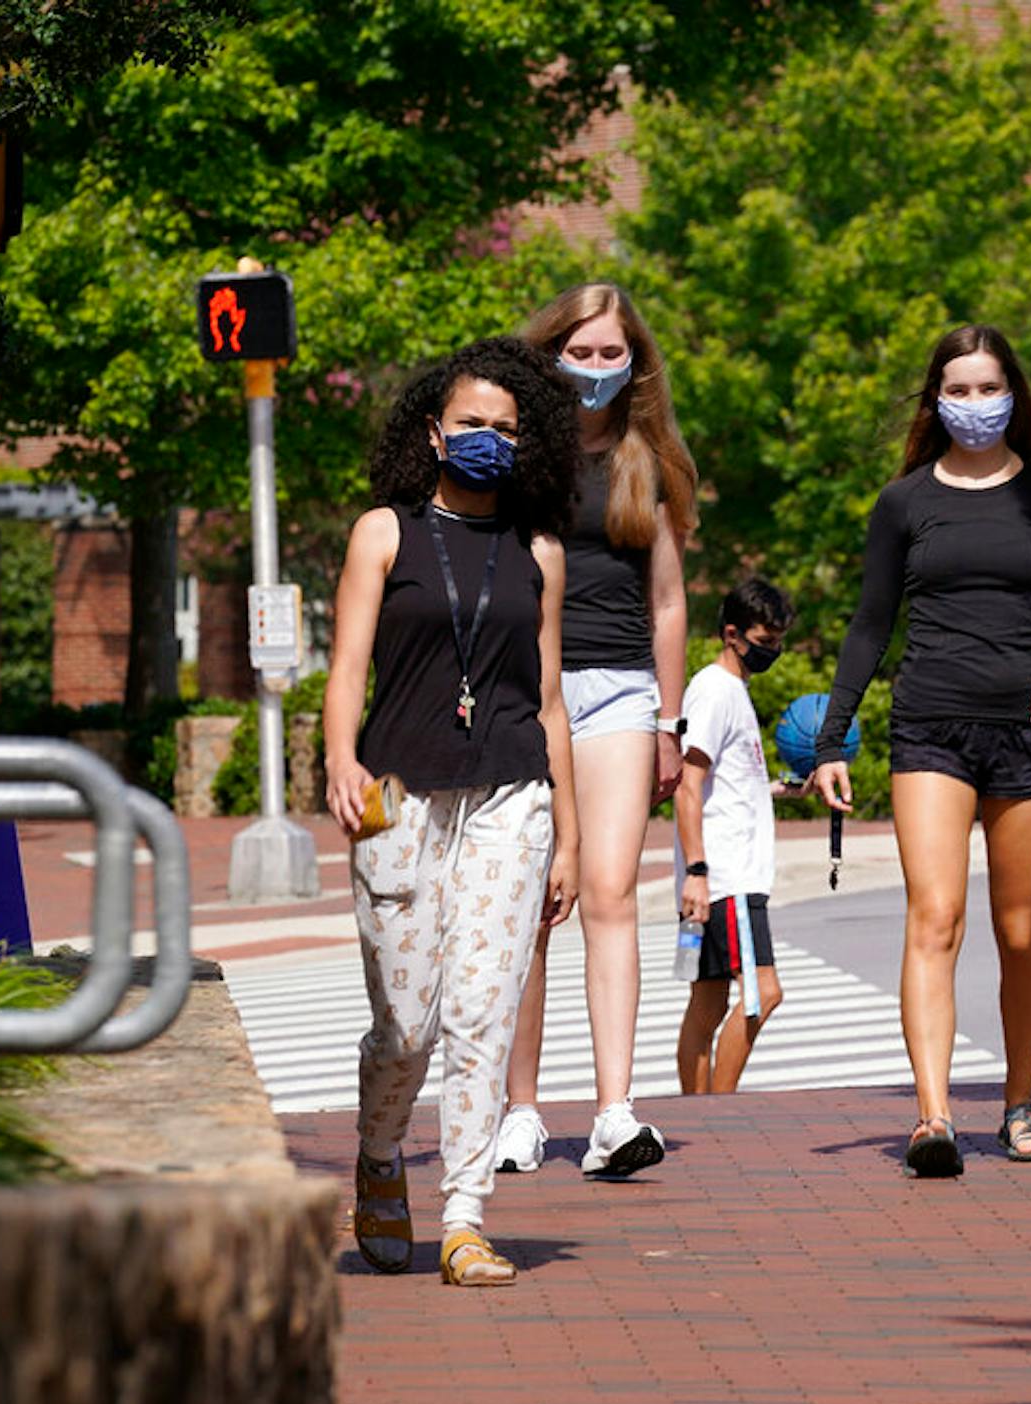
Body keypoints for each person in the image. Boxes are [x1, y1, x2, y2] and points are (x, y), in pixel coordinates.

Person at [323, 337, 582, 1287]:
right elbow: (349, 665)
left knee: (481, 1011)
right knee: (408, 1020)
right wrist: (339, 758)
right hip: (398, 795)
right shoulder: (383, 533)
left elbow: (549, 699)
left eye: (505, 429)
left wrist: (570, 834)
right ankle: (381, 1152)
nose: (487, 439)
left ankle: (466, 1216)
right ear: (434, 430)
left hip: (512, 793)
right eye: (471, 423)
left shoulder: (539, 552)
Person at [809, 324, 1031, 1177]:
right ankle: (933, 1116)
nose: (975, 403)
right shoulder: (904, 503)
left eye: (988, 387)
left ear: (1015, 394)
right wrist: (833, 737)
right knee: (935, 917)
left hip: (1030, 729)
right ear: (936, 397)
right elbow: (869, 624)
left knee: (1019, 931)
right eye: (959, 389)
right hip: (930, 723)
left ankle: (1018, 1101)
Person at [496, 282, 699, 1179]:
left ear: (635, 362)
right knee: (532, 902)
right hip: (522, 690)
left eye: (611, 352)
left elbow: (666, 603)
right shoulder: (511, 455)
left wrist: (669, 719)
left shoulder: (644, 462)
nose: (594, 368)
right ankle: (520, 1111)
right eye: (578, 351)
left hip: (617, 692)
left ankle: (614, 1111)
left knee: (610, 892)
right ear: (549, 354)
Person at [674, 578, 797, 1094]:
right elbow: (687, 785)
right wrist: (698, 873)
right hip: (727, 880)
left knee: (708, 1002)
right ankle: (720, 1110)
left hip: (721, 877)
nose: (773, 652)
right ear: (732, 634)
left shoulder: (733, 692)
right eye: (765, 642)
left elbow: (724, 786)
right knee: (762, 994)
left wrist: (782, 789)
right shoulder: (714, 690)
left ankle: (694, 1111)